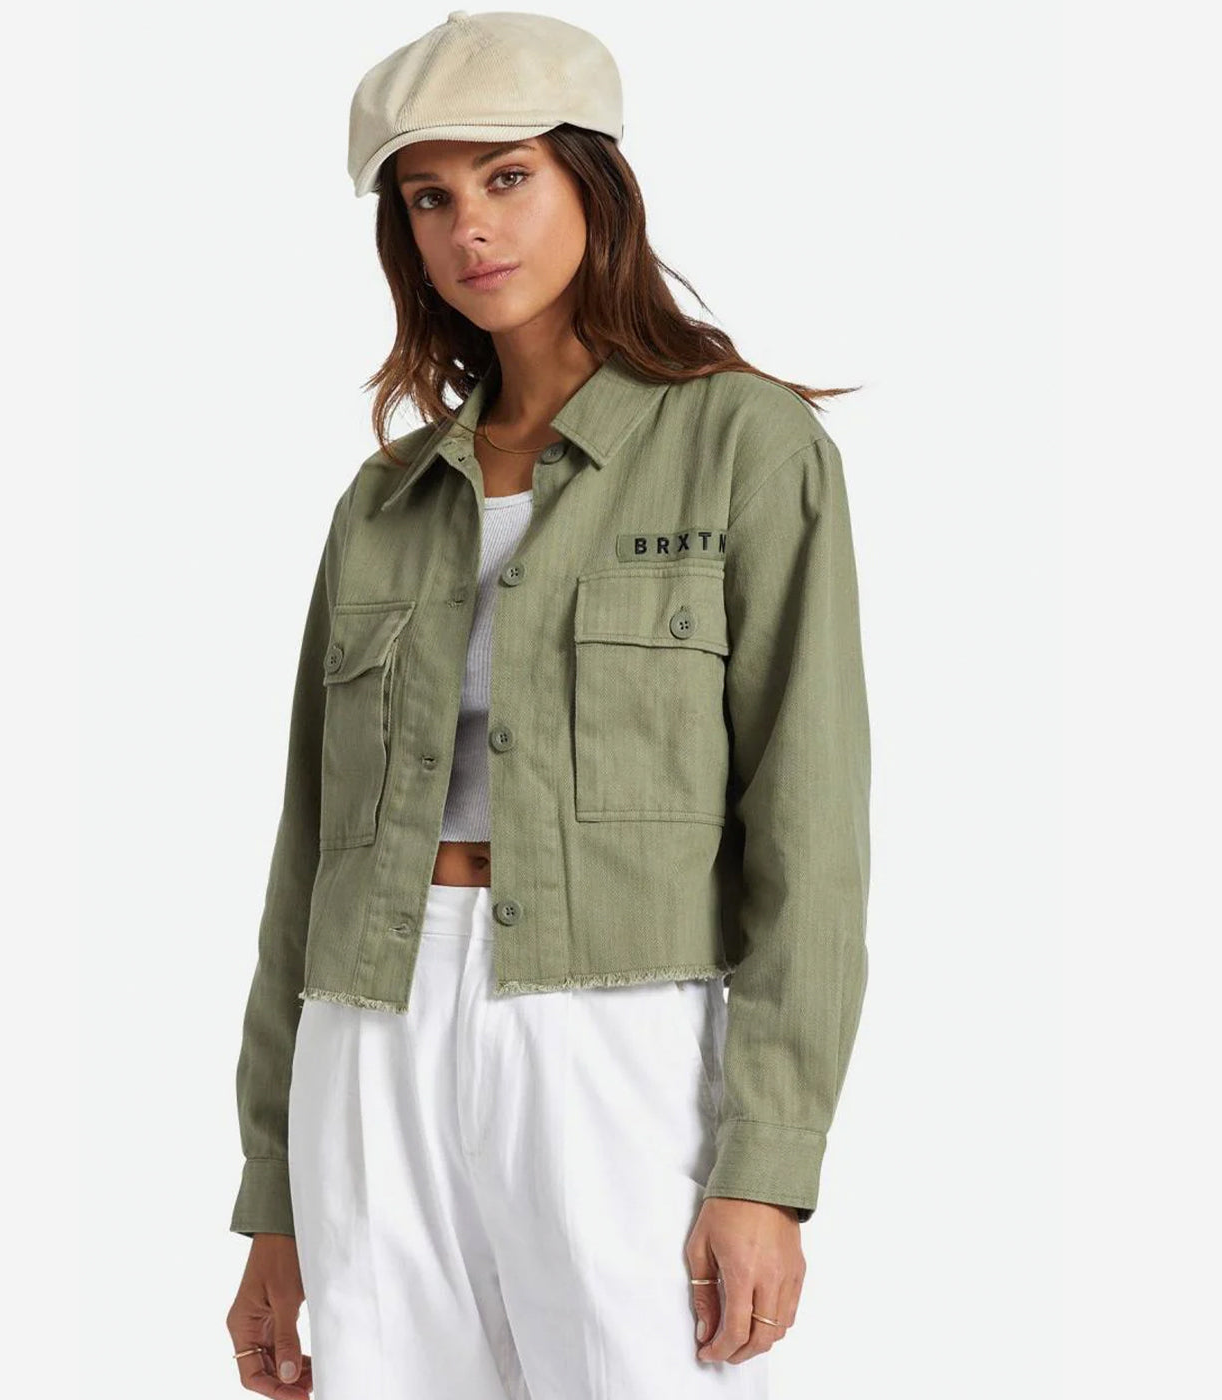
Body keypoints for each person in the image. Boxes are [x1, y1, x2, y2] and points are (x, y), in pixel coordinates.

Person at [225, 11, 871, 1398]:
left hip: (614, 1029)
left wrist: (767, 1168)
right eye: (428, 197)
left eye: (508, 175)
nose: (470, 226)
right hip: (370, 1027)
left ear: (594, 181)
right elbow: (306, 848)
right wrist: (273, 1193)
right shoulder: (385, 501)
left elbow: (810, 827)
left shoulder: (745, 444)